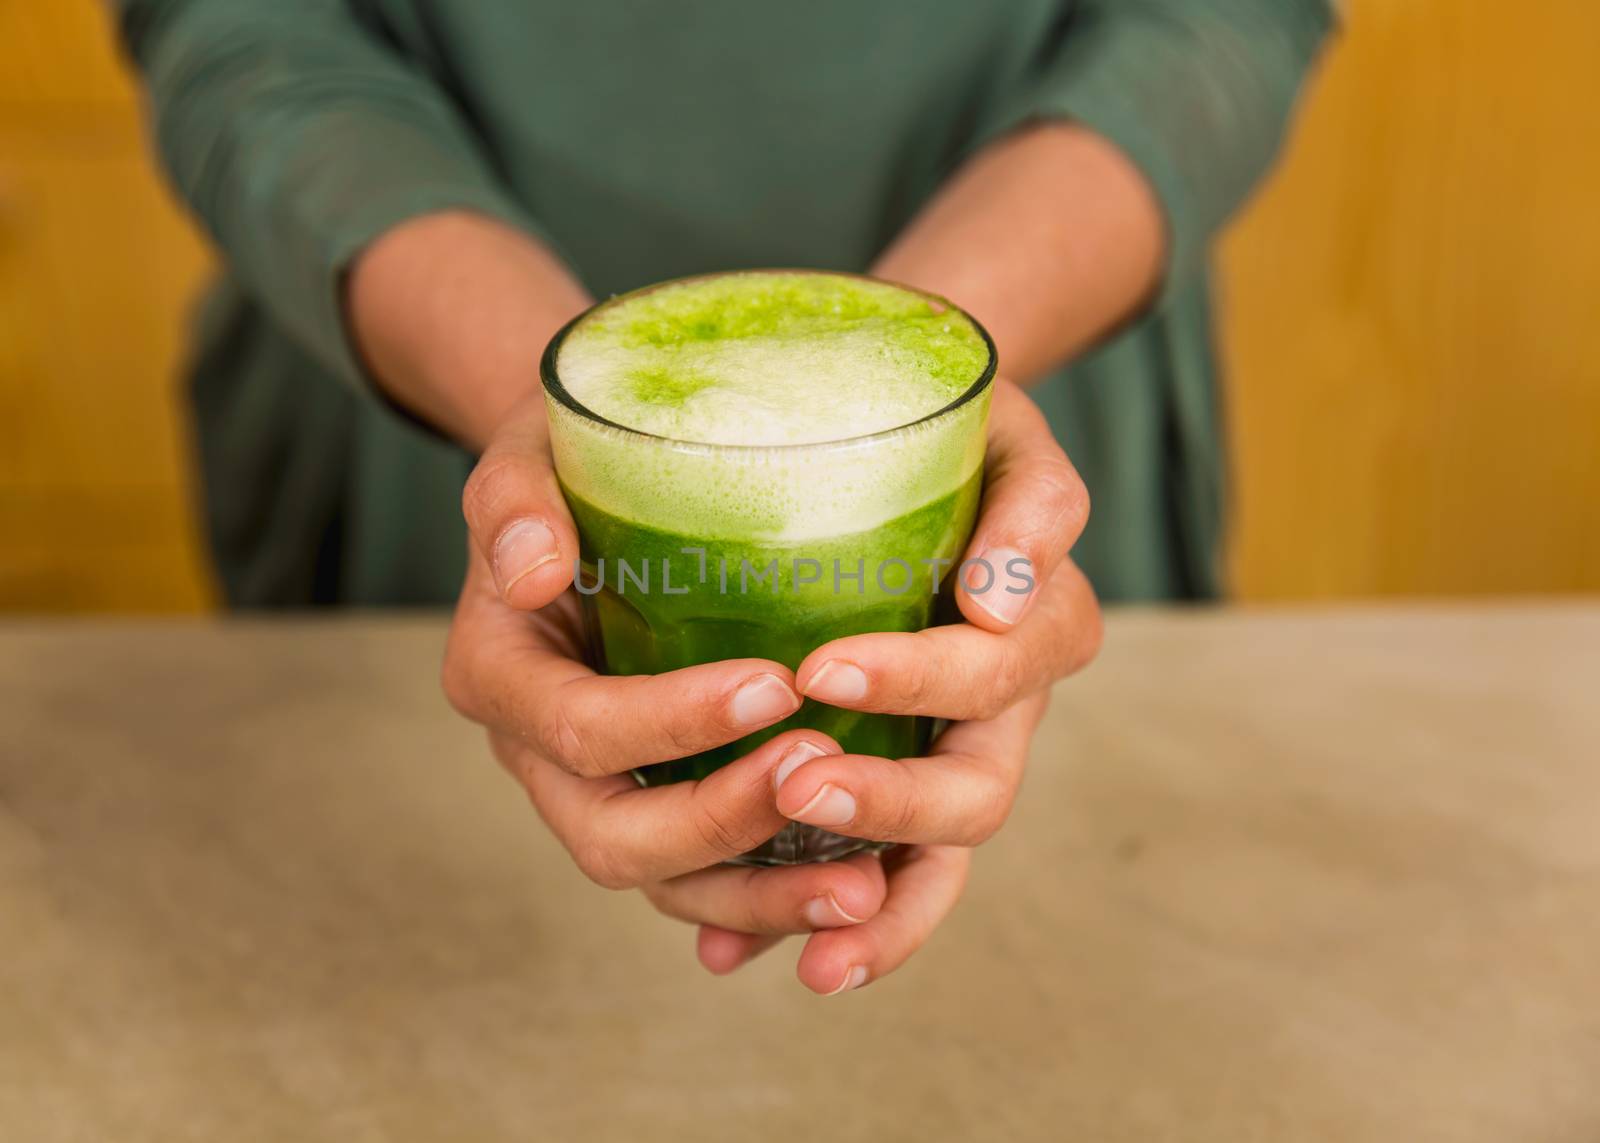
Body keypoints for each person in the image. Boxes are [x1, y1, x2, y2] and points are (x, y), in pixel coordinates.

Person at [117, 0, 1332, 994]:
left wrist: (922, 381)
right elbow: (239, 28)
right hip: (422, 357)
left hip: (1036, 315)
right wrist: (548, 440)